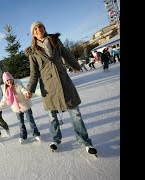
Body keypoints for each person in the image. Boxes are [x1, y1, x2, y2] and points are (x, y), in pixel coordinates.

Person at [24, 21, 97, 155]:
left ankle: (85, 142)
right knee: (52, 116)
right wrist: (29, 89)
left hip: (63, 82)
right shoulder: (33, 51)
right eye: (35, 29)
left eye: (40, 26)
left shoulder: (55, 41)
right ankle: (56, 140)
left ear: (44, 28)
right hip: (48, 87)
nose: (38, 29)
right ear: (33, 34)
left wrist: (76, 66)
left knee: (75, 114)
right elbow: (34, 73)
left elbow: (67, 54)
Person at [0, 72, 41, 144]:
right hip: (16, 108)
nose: (9, 81)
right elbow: (3, 101)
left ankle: (36, 134)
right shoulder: (6, 91)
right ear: (5, 82)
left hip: (25, 105)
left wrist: (26, 93)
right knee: (21, 123)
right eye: (7, 81)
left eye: (10, 79)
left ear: (12, 78)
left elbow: (23, 90)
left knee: (31, 121)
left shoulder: (18, 85)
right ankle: (23, 136)